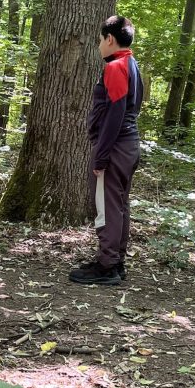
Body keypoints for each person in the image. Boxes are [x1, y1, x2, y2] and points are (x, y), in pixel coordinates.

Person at [69, 16, 144, 286]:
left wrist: (101, 155)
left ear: (109, 39)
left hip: (116, 147)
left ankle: (107, 265)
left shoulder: (116, 66)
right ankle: (116, 260)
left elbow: (115, 113)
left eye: (101, 40)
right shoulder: (132, 64)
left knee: (107, 206)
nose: (99, 45)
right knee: (119, 205)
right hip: (129, 145)